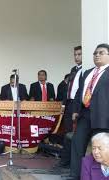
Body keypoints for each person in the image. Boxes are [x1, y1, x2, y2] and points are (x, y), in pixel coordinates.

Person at [70, 43, 109, 180]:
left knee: (99, 148)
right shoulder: (87, 72)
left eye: (101, 52)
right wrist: (75, 110)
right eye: (95, 53)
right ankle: (75, 175)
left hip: (103, 117)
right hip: (85, 114)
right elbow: (80, 93)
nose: (97, 55)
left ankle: (99, 177)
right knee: (77, 144)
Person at [55, 46, 82, 169]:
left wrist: (76, 108)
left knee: (74, 134)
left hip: (78, 104)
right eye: (75, 54)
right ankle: (64, 161)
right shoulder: (73, 69)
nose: (77, 57)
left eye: (79, 54)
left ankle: (72, 162)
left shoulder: (86, 70)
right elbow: (68, 89)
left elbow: (81, 90)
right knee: (67, 133)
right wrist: (64, 104)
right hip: (69, 104)